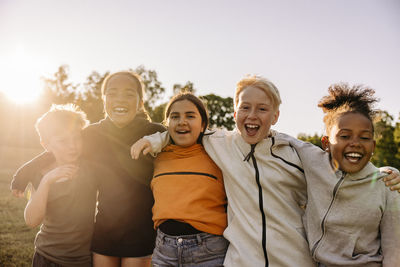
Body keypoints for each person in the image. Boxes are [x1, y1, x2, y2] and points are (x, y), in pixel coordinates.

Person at [132, 75, 400, 267]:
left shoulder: (295, 151)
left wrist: (383, 173)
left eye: (262, 109)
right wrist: (153, 140)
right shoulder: (218, 142)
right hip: (240, 260)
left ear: (275, 117)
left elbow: (343, 161)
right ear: (235, 112)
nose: (252, 115)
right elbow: (183, 129)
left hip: (293, 260)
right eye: (245, 108)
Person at [11, 71, 165, 267]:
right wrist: (24, 174)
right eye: (113, 93)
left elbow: (181, 144)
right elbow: (55, 147)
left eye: (129, 93)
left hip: (140, 232)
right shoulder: (93, 133)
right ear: (104, 99)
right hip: (102, 233)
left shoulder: (155, 133)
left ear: (140, 102)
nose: (120, 99)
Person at [283, 83, 400, 266]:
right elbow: (277, 138)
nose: (355, 143)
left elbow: (394, 249)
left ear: (373, 146)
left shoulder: (388, 185)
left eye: (364, 137)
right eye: (344, 136)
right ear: (326, 143)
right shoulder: (311, 161)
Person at [131, 92, 228, 266]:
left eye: (190, 116)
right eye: (175, 117)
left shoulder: (218, 154)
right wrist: (153, 139)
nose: (182, 121)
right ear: (167, 124)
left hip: (209, 251)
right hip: (164, 250)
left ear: (203, 124)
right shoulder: (157, 155)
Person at [24, 104, 97, 267]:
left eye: (77, 138)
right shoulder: (40, 174)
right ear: (46, 144)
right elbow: (31, 220)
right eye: (63, 141)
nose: (72, 146)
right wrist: (47, 181)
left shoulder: (89, 168)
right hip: (48, 258)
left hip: (83, 260)